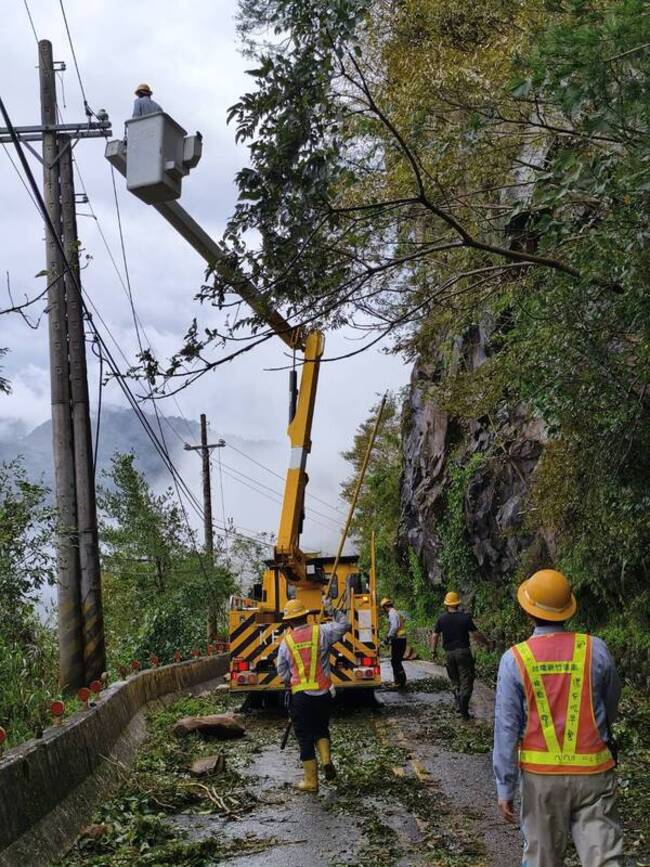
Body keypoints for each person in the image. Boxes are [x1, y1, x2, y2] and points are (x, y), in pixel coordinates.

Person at [493, 568, 623, 867]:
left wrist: (506, 786)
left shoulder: (515, 659)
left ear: (528, 611)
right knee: (605, 859)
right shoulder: (596, 649)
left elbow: (506, 728)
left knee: (542, 860)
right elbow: (610, 703)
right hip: (594, 772)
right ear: (569, 609)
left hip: (541, 782)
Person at [276, 597, 350, 793]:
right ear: (306, 616)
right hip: (324, 693)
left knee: (304, 736)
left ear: (289, 621)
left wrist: (291, 678)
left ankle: (311, 781)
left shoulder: (286, 642)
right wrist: (331, 609)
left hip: (301, 696)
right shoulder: (322, 632)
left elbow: (282, 671)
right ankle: (326, 759)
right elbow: (345, 625)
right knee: (321, 728)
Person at [431, 591, 489, 719]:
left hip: (449, 653)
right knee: (467, 680)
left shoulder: (441, 619)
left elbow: (435, 636)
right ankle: (463, 707)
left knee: (454, 679)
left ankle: (458, 703)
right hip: (463, 652)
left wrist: (433, 651)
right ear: (458, 603)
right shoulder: (465, 618)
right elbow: (476, 634)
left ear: (446, 604)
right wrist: (486, 643)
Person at [380, 597, 407, 688]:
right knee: (396, 661)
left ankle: (400, 682)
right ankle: (399, 681)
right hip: (400, 639)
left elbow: (394, 626)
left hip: (398, 639)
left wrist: (388, 637)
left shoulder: (392, 613)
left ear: (385, 607)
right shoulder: (395, 612)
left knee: (395, 661)